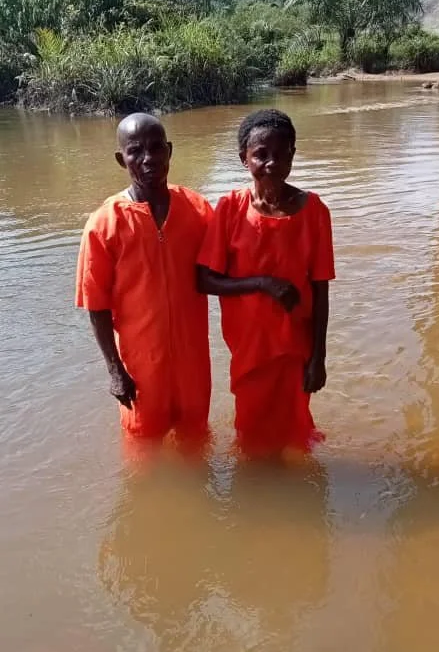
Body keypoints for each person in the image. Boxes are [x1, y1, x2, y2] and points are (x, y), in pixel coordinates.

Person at [197, 108, 335, 458]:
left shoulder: (315, 211)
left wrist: (318, 357)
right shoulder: (230, 208)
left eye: (281, 153)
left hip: (296, 347)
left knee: (295, 434)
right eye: (261, 154)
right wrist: (262, 283)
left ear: (293, 154)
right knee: (252, 437)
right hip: (250, 349)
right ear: (244, 159)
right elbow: (205, 279)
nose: (271, 163)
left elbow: (321, 289)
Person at [76, 112, 212, 447]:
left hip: (193, 362)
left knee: (196, 443)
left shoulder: (197, 209)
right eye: (135, 151)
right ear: (121, 159)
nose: (148, 158)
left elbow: (226, 268)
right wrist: (115, 371)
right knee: (142, 452)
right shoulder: (104, 224)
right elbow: (96, 306)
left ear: (169, 151)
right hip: (141, 368)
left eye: (156, 147)